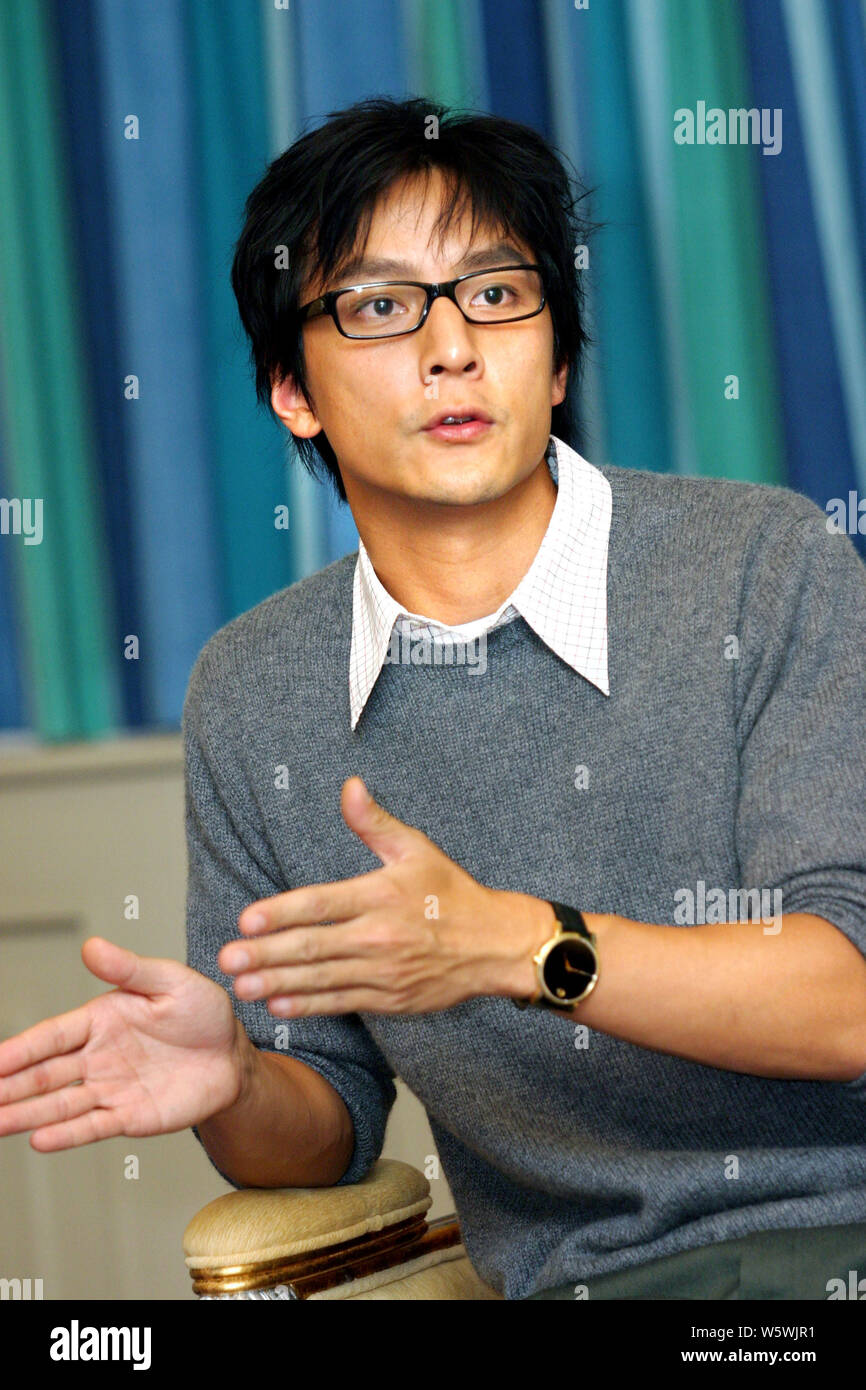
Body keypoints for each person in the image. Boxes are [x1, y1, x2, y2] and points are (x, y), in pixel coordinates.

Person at [2, 95, 866, 1303]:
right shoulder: (258, 693)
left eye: (497, 294)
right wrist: (239, 1084)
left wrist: (515, 943)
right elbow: (328, 1125)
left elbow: (849, 999)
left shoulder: (764, 567)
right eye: (379, 306)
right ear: (290, 391)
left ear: (556, 358)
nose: (451, 346)